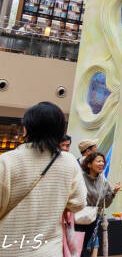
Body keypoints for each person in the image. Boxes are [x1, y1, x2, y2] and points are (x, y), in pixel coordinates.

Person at [0, 101, 87, 257]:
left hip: (8, 248)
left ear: (27, 128)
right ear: (60, 130)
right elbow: (79, 202)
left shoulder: (7, 161)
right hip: (50, 250)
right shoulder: (69, 162)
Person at [79, 152, 120, 257]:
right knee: (78, 246)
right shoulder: (80, 178)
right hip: (78, 218)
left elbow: (106, 204)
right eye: (98, 161)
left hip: (93, 218)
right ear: (89, 164)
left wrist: (114, 193)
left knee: (87, 245)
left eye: (103, 161)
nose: (101, 163)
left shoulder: (104, 182)